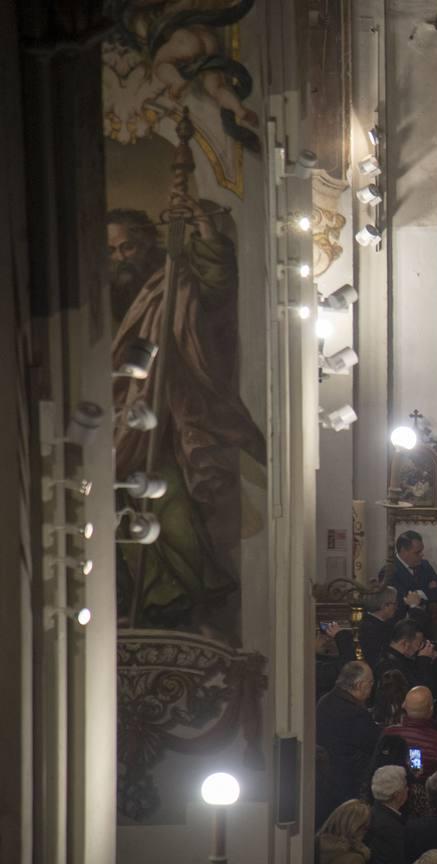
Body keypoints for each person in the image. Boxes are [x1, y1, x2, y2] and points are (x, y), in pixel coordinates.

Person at [108, 201, 265, 630]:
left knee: (171, 506)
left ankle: (175, 600)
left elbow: (215, 288)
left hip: (171, 413)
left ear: (147, 243)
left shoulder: (171, 279)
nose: (122, 258)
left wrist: (204, 232)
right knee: (122, 504)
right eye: (113, 251)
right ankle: (136, 602)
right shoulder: (100, 297)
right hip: (118, 419)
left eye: (128, 247)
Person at [317, 661, 382, 826]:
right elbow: (374, 744)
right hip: (347, 785)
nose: (373, 687)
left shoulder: (324, 701)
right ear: (360, 685)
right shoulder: (356, 714)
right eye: (371, 683)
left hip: (323, 781)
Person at [383, 686, 437, 785]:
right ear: (431, 708)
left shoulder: (387, 733)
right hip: (429, 797)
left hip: (393, 792)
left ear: (404, 705)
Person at [365, 765, 416, 864]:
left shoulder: (371, 814)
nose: (408, 789)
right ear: (397, 795)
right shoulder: (391, 829)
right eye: (405, 786)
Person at [380, 530, 437, 619]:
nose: (422, 555)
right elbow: (398, 603)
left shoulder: (425, 566)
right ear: (403, 551)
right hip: (401, 627)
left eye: (422, 551)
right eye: (417, 552)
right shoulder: (388, 572)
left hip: (427, 624)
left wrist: (418, 595)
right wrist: (428, 591)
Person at [316, 799, 376, 864]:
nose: (366, 835)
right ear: (356, 828)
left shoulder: (317, 849)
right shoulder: (353, 861)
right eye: (366, 828)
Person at [376, 620, 437, 695]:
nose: (419, 648)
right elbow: (421, 693)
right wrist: (424, 661)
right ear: (404, 643)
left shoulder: (392, 658)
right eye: (418, 644)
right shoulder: (391, 666)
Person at [358, 588, 402, 662]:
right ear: (384, 606)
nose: (396, 607)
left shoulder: (374, 623)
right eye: (394, 604)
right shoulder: (371, 628)